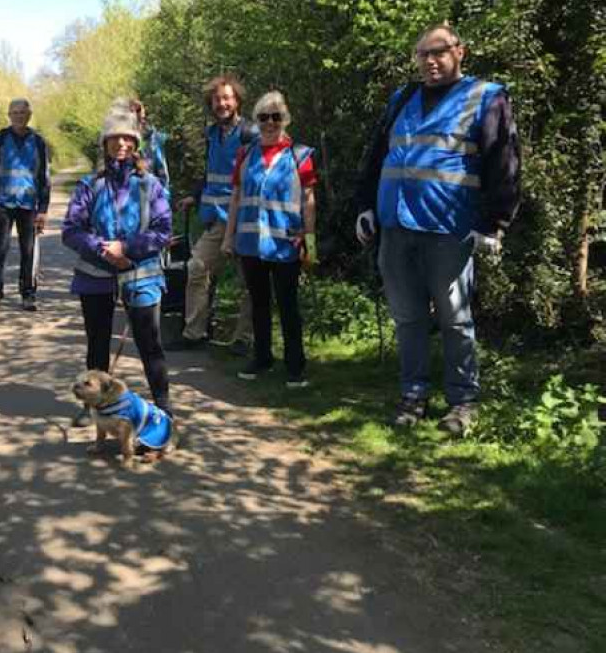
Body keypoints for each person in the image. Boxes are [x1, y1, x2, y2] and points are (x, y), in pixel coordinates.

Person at [356, 23, 521, 435]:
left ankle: (463, 402)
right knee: (408, 318)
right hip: (396, 226)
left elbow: (505, 163)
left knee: (455, 320)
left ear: (459, 52)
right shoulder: (402, 99)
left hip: (450, 229)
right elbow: (378, 157)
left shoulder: (486, 97)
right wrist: (365, 207)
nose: (431, 61)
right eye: (423, 54)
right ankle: (413, 395)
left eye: (439, 52)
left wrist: (494, 223)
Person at [62, 106, 173, 426]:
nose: (121, 143)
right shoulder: (88, 185)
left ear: (136, 142)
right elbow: (71, 230)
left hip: (141, 273)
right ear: (105, 142)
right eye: (115, 137)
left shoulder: (150, 185)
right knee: (97, 343)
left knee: (149, 343)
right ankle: (94, 407)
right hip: (94, 274)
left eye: (128, 137)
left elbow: (163, 230)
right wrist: (104, 250)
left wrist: (127, 248)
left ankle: (164, 408)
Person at [221, 91, 316, 387]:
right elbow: (236, 197)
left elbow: (310, 199)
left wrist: (309, 245)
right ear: (256, 120)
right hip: (250, 244)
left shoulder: (299, 155)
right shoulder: (245, 154)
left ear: (285, 119)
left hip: (286, 244)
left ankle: (295, 366)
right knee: (258, 304)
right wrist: (228, 237)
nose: (270, 123)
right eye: (264, 117)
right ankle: (262, 357)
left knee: (288, 306)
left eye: (276, 116)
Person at [168, 75, 256, 355]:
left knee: (250, 280)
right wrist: (195, 195)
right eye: (217, 99)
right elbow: (210, 172)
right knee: (196, 269)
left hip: (244, 218)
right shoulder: (211, 134)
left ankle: (244, 338)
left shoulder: (250, 134)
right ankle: (195, 333)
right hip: (216, 218)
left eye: (227, 98)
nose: (222, 103)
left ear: (237, 101)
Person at [0, 98, 51, 312]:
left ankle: (28, 294)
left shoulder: (39, 142)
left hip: (29, 205)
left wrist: (43, 209)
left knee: (28, 251)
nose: (19, 116)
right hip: (2, 203)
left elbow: (44, 177)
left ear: (29, 115)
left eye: (23, 112)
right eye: (15, 112)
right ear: (9, 115)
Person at [131, 99, 170, 193]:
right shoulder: (120, 143)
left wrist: (162, 198)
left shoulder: (153, 141)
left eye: (141, 119)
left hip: (149, 196)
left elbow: (163, 177)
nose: (140, 123)